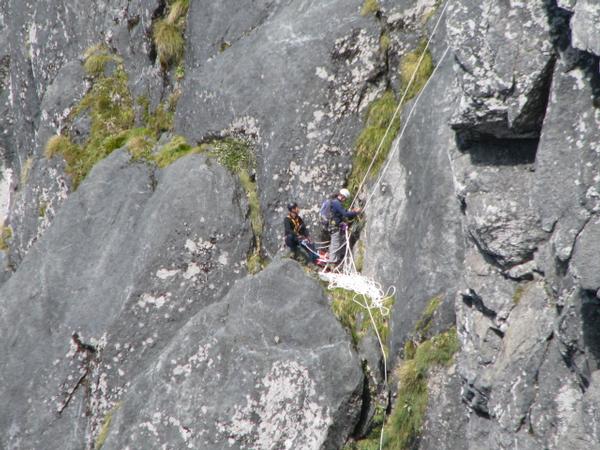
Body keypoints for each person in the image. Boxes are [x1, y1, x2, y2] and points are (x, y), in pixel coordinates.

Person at [320, 188, 361, 265]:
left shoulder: (334, 202)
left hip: (333, 227)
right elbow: (345, 214)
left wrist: (351, 212)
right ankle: (332, 263)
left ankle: (333, 259)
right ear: (343, 197)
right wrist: (355, 212)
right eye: (345, 199)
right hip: (334, 227)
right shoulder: (336, 203)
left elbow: (341, 212)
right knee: (335, 245)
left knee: (337, 243)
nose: (344, 200)